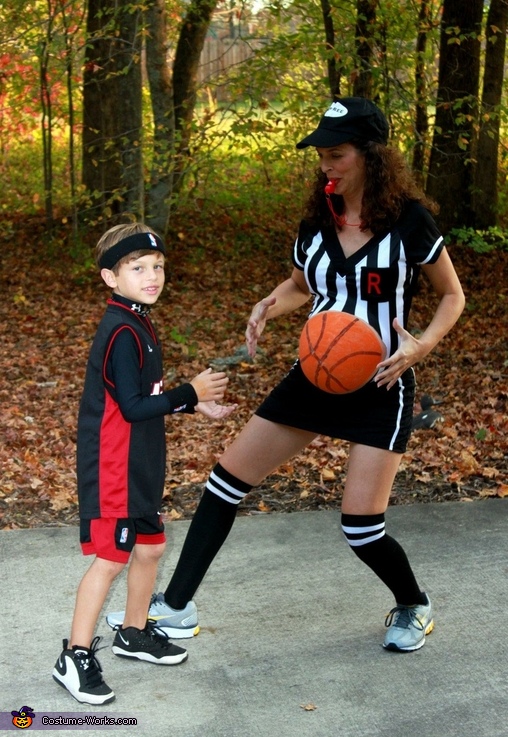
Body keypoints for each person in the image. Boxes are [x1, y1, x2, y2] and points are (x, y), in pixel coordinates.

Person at [107, 97, 465, 653]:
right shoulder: (317, 220)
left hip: (381, 383)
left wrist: (422, 346)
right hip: (315, 375)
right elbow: (302, 285)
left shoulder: (410, 224)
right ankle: (175, 607)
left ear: (371, 156)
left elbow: (451, 295)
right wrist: (267, 305)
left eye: (337, 153)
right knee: (224, 483)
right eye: (322, 154)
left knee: (361, 529)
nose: (327, 164)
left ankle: (413, 603)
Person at [53, 223, 235, 705]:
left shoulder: (137, 320)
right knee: (111, 558)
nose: (152, 275)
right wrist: (189, 392)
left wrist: (190, 404)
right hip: (114, 463)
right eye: (138, 268)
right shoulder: (119, 331)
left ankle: (133, 633)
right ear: (110, 278)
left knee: (151, 548)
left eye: (157, 267)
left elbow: (145, 399)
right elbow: (131, 407)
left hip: (142, 458)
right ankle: (73, 657)